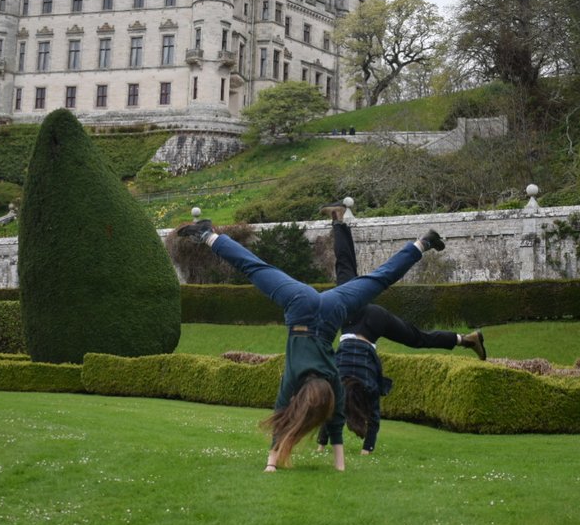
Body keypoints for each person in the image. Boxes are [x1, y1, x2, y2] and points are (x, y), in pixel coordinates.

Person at [176, 216, 445, 472]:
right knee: (255, 268)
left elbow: (336, 420)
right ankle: (207, 234)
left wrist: (337, 466)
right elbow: (285, 416)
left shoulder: (332, 377)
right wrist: (271, 463)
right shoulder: (294, 378)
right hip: (301, 305)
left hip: (329, 311)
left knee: (378, 280)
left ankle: (423, 243)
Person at [317, 199, 486, 455]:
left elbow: (361, 414)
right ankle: (338, 220)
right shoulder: (337, 386)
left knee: (419, 338)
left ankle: (466, 339)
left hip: (373, 324)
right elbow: (328, 410)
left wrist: (360, 449)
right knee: (346, 268)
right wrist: (321, 443)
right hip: (350, 318)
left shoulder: (364, 388)